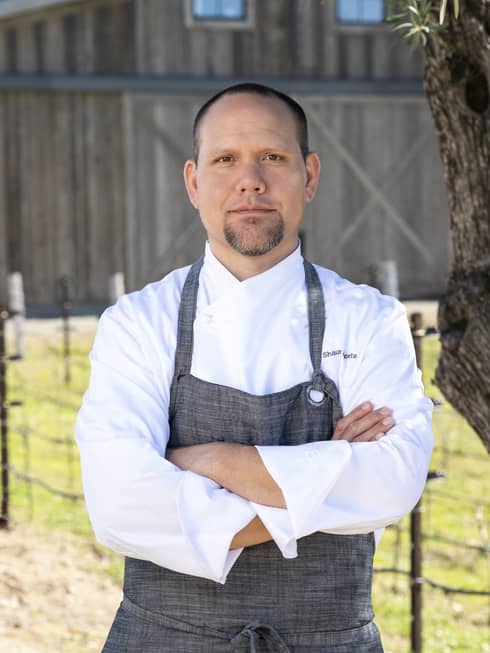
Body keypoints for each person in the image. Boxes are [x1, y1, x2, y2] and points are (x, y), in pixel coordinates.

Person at [76, 83, 433, 652]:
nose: (251, 181)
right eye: (225, 159)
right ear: (193, 182)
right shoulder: (139, 322)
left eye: (273, 157)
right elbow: (120, 506)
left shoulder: (369, 320)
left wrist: (209, 462)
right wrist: (326, 481)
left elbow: (393, 481)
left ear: (309, 175)